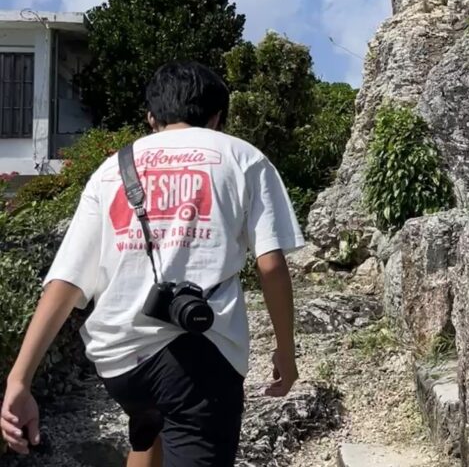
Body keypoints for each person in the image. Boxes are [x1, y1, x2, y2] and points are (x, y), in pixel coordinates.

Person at [1, 61, 305, 466]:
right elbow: (270, 265)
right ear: (217, 117)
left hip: (120, 363)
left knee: (149, 434)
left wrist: (19, 379)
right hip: (200, 356)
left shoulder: (113, 168)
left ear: (151, 117)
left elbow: (66, 281)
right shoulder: (242, 157)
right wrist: (285, 351)